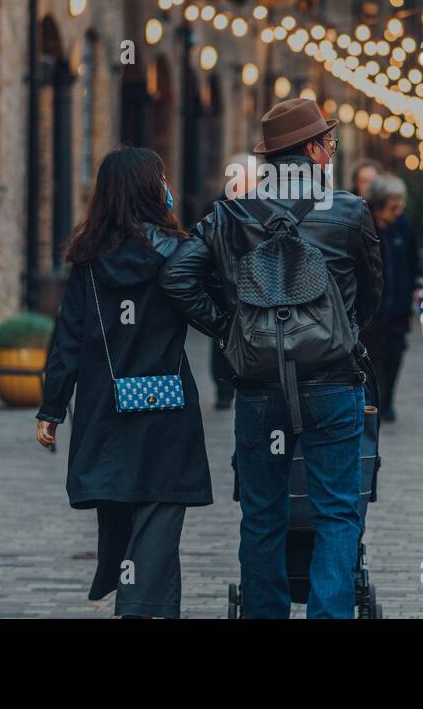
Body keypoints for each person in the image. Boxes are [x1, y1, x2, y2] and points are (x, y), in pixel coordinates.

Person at [160, 97, 383, 618]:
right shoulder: (348, 210)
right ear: (309, 149)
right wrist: (343, 330)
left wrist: (230, 329)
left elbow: (176, 278)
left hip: (259, 385)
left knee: (262, 515)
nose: (331, 150)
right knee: (336, 514)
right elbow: (374, 292)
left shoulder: (230, 214)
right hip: (332, 381)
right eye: (327, 142)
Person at [36, 147, 212, 619]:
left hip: (108, 409)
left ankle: (134, 599)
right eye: (162, 179)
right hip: (166, 406)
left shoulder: (89, 259)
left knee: (122, 505)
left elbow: (68, 337)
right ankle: (140, 608)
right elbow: (213, 314)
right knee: (160, 511)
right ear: (150, 190)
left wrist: (52, 407)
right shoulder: (179, 253)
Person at [362, 174, 421, 423]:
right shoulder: (363, 226)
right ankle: (371, 406)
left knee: (394, 356)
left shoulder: (403, 225)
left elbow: (413, 258)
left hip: (397, 306)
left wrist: (419, 283)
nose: (398, 211)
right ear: (379, 205)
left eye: (400, 206)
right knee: (371, 360)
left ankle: (387, 403)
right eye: (393, 207)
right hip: (371, 311)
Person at [208, 153, 257, 411]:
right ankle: (223, 389)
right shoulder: (216, 209)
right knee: (223, 342)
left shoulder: (263, 208)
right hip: (224, 291)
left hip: (255, 290)